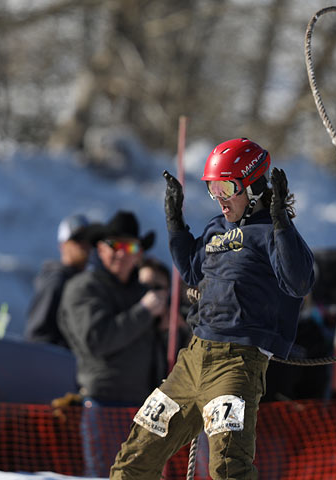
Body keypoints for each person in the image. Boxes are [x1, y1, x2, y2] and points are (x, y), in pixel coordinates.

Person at [110, 137, 315, 479]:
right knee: (134, 459)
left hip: (235, 365)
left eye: (226, 186)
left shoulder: (272, 234)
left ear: (254, 186)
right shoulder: (217, 229)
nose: (218, 197)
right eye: (211, 187)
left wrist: (279, 221)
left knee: (227, 469)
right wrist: (175, 223)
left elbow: (298, 281)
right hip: (192, 361)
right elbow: (193, 271)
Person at [57, 210, 164, 476]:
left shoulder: (142, 292)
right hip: (104, 403)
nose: (121, 253)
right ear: (100, 249)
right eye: (114, 245)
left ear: (139, 253)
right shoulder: (84, 287)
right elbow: (97, 339)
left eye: (129, 246)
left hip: (144, 407)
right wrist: (144, 312)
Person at [24, 213, 91, 348]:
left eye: (88, 239)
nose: (83, 245)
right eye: (77, 239)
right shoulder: (56, 283)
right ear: (62, 245)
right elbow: (37, 337)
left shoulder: (88, 284)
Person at [138, 256, 192, 388]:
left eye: (158, 288)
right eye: (144, 287)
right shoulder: (130, 319)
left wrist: (181, 330)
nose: (151, 294)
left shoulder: (180, 322)